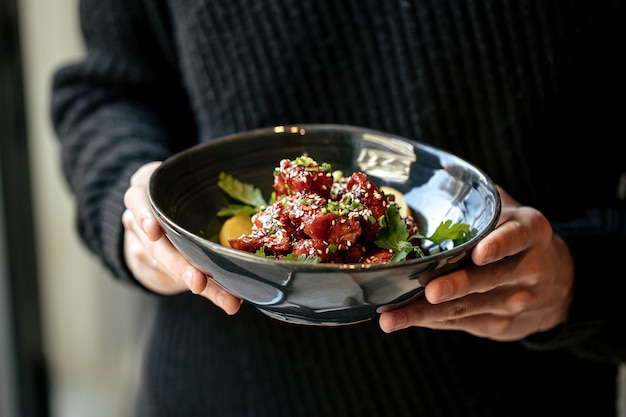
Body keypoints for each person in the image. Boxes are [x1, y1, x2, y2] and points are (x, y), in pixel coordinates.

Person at [50, 1, 626, 416]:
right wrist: (145, 219)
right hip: (218, 385)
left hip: (519, 388)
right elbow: (108, 89)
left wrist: (582, 280)